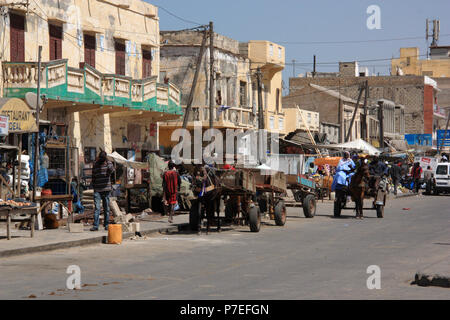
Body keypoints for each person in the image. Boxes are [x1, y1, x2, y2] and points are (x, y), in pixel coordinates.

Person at [91, 151, 115, 231]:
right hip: (97, 189)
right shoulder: (95, 164)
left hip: (106, 189)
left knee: (106, 208)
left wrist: (108, 162)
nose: (102, 160)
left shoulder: (108, 163)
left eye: (103, 159)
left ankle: (106, 225)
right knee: (97, 208)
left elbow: (112, 170)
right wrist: (94, 187)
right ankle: (96, 226)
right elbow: (93, 176)